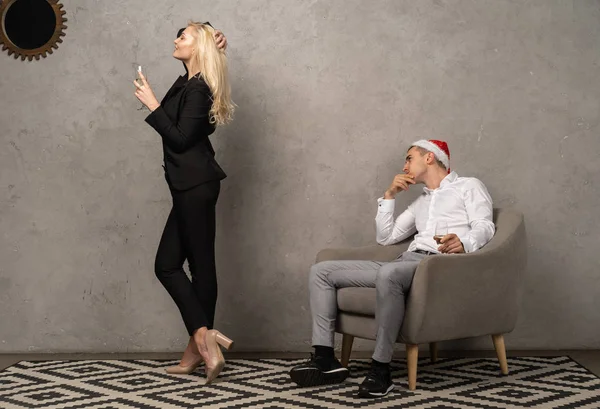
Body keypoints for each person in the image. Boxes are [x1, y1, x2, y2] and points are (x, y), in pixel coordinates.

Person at [289, 139, 495, 397]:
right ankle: (324, 359)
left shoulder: (469, 186)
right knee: (321, 271)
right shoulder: (421, 201)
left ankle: (380, 370)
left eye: (409, 158)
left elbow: (485, 226)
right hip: (406, 263)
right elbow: (386, 238)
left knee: (388, 273)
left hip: (440, 265)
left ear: (429, 157)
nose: (404, 165)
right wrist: (389, 196)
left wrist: (463, 242)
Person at [134, 21, 235, 384]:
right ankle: (200, 344)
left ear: (200, 46)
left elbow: (179, 139)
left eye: (184, 35)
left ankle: (201, 343)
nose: (176, 39)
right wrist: (214, 45)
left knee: (190, 266)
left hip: (196, 185)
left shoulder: (201, 89)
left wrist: (152, 104)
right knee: (176, 265)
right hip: (189, 185)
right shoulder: (190, 81)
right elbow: (181, 127)